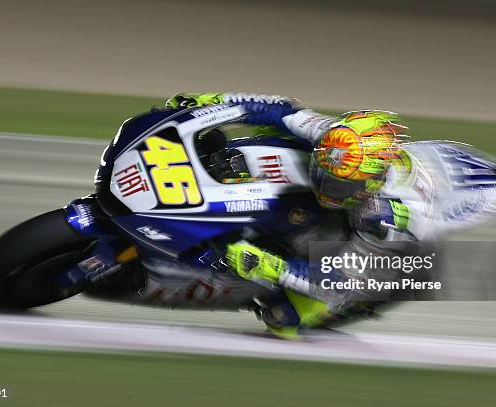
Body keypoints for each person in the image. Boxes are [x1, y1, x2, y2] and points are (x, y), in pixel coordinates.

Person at [167, 92, 412, 338]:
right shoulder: (336, 139)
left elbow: (340, 285)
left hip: (349, 258)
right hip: (293, 190)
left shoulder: (382, 215)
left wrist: (271, 267)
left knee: (283, 318)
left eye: (338, 185)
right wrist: (212, 104)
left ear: (371, 184)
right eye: (322, 172)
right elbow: (279, 109)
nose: (324, 185)